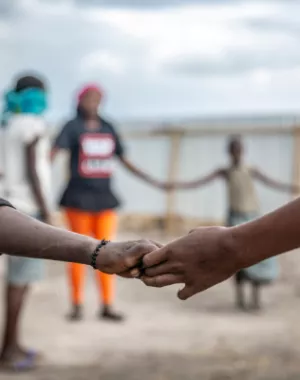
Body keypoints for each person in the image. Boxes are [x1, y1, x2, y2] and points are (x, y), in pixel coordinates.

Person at [51, 84, 166, 322]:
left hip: (104, 200)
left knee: (109, 251)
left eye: (97, 99)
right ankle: (77, 304)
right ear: (80, 101)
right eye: (89, 99)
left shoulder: (108, 126)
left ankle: (106, 304)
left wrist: (153, 181)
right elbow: (52, 154)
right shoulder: (71, 127)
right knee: (77, 253)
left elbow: (124, 159)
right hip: (77, 199)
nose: (93, 103)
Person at [165, 136, 298, 310]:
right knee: (234, 258)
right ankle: (241, 299)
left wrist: (293, 188)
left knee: (256, 257)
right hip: (235, 217)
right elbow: (198, 182)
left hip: (252, 215)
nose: (236, 152)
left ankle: (255, 299)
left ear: (243, 151)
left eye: (239, 149)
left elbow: (272, 182)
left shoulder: (250, 169)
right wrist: (173, 186)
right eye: (233, 149)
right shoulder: (226, 171)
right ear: (229, 152)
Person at [140, 196, 300, 302]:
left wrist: (231, 246)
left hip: (250, 219)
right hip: (240, 221)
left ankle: (252, 299)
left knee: (252, 268)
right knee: (244, 271)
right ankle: (242, 300)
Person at [0, 74, 53, 370]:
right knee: (21, 282)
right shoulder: (33, 125)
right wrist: (47, 212)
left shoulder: (7, 124)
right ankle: (9, 350)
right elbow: (33, 170)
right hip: (27, 208)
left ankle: (12, 344)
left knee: (13, 281)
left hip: (7, 206)